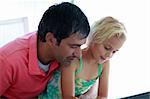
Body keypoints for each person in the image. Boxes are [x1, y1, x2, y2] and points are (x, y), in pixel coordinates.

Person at [0, 2, 90, 98]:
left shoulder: (63, 56)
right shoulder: (7, 61)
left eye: (80, 46)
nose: (78, 54)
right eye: (73, 46)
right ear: (51, 39)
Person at [38, 16, 127, 99]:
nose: (109, 55)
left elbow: (103, 96)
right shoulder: (74, 60)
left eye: (114, 52)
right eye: (107, 48)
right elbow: (68, 97)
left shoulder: (104, 64)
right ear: (94, 38)